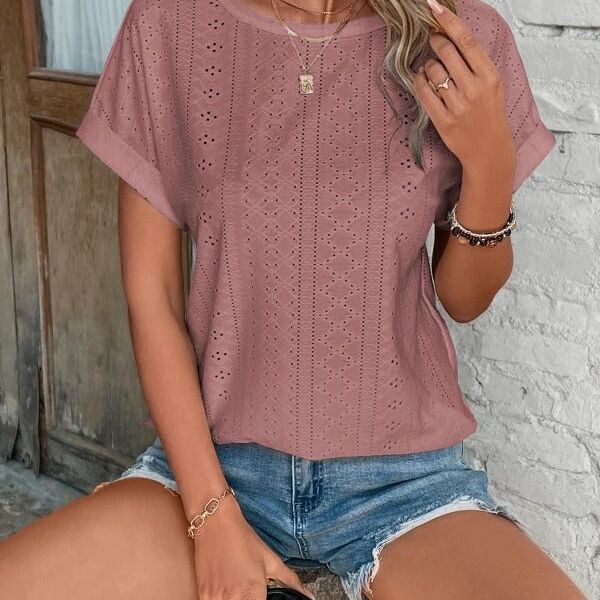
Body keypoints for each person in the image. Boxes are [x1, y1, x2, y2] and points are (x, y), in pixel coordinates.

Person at [0, 0, 588, 599]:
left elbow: (465, 300)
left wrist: (490, 162)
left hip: (403, 483)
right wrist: (212, 514)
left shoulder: (461, 40)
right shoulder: (170, 24)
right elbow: (152, 295)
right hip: (215, 466)